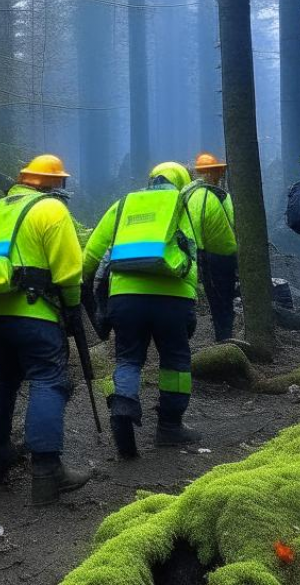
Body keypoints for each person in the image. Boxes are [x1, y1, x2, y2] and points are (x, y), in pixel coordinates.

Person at [0, 154, 89, 506]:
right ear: (52, 184)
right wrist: (74, 307)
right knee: (48, 379)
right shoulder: (51, 211)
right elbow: (68, 271)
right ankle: (47, 472)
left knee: (2, 379)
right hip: (36, 313)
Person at [84, 162, 211, 459]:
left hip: (125, 298)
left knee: (128, 357)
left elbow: (92, 251)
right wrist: (193, 299)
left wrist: (79, 287)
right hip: (173, 299)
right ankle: (169, 426)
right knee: (175, 361)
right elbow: (194, 253)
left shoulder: (124, 205)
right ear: (180, 181)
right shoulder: (182, 206)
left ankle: (122, 409)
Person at [189, 153, 238, 342]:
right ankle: (225, 339)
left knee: (215, 300)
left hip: (200, 255)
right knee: (225, 302)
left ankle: (222, 339)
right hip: (222, 256)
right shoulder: (220, 196)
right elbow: (235, 221)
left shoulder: (190, 195)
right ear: (212, 174)